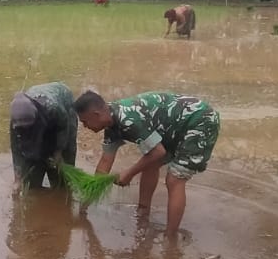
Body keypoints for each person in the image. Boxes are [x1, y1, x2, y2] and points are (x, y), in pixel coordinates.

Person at [73, 89, 220, 236]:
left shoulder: (128, 119)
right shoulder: (112, 124)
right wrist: (85, 204)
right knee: (150, 164)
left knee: (175, 179)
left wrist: (129, 173)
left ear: (96, 115)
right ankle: (143, 212)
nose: (85, 126)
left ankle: (170, 237)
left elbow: (158, 152)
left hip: (199, 120)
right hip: (172, 126)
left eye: (85, 122)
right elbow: (105, 162)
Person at [10, 81, 78, 189]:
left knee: (62, 173)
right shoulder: (16, 121)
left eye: (29, 125)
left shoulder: (53, 108)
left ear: (35, 116)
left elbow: (63, 127)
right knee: (31, 176)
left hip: (64, 106)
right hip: (40, 107)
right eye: (23, 128)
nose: (26, 129)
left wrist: (58, 151)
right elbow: (16, 149)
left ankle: (61, 188)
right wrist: (17, 179)